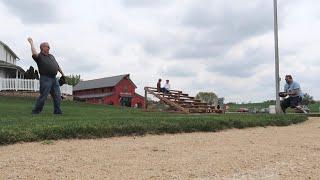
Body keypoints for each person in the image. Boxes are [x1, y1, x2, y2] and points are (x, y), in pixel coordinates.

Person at [27, 37, 65, 114]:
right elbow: (34, 53)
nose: (49, 48)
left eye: (49, 46)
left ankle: (57, 111)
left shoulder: (51, 56)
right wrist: (31, 42)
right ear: (42, 48)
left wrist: (63, 74)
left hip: (54, 79)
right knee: (43, 96)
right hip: (45, 78)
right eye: (47, 46)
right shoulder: (39, 56)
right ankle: (36, 111)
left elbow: (57, 65)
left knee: (57, 95)